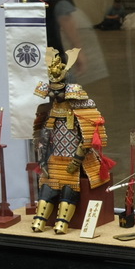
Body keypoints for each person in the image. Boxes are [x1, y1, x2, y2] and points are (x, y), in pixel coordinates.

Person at [31, 48, 112, 234]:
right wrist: (42, 159)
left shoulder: (81, 106)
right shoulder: (49, 109)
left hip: (76, 159)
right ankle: (40, 220)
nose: (55, 95)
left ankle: (62, 223)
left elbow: (88, 137)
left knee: (70, 188)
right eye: (52, 91)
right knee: (47, 188)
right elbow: (43, 136)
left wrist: (77, 160)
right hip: (54, 159)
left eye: (58, 91)